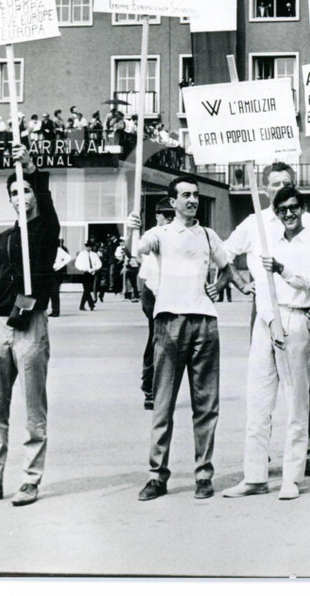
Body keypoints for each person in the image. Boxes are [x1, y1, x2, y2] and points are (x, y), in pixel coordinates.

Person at [220, 161, 310, 479]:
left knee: (299, 390)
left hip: (299, 312)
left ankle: (304, 454)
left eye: (286, 182)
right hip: (265, 310)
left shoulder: (308, 222)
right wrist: (241, 283)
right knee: (260, 390)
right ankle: (256, 469)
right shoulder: (255, 221)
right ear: (265, 189)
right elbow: (225, 252)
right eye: (274, 184)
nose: (280, 188)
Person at [0, 144, 60, 508]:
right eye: (15, 193)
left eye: (26, 190)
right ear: (10, 200)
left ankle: (30, 481)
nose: (22, 197)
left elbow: (48, 209)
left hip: (31, 324)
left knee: (34, 406)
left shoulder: (44, 230)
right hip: (1, 325)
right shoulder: (4, 238)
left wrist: (31, 168)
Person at [127, 175, 231, 501]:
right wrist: (131, 227)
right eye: (185, 195)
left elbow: (227, 267)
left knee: (205, 405)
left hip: (204, 324)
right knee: (163, 405)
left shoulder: (209, 235)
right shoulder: (160, 234)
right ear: (172, 202)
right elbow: (136, 251)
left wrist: (221, 284)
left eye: (196, 195)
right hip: (169, 323)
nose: (192, 200)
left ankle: (203, 475)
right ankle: (157, 476)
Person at [138, 198, 176, 410]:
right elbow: (138, 252)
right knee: (157, 339)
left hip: (171, 293)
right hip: (153, 293)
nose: (167, 219)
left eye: (170, 215)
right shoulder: (153, 235)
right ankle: (150, 389)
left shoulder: (177, 235)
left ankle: (163, 388)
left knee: (171, 343)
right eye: (164, 215)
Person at [75, 241, 101, 311]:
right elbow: (77, 264)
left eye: (90, 247)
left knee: (87, 290)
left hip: (92, 273)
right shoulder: (82, 254)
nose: (88, 248)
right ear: (85, 247)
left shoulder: (94, 254)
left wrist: (94, 268)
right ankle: (91, 304)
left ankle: (81, 306)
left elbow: (99, 263)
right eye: (87, 246)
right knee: (86, 289)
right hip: (84, 273)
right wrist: (83, 269)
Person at [50, 240, 72, 317]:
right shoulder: (47, 250)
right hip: (49, 272)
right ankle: (54, 310)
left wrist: (58, 266)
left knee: (55, 292)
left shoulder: (58, 250)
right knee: (51, 292)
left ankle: (56, 310)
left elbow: (68, 258)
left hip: (56, 273)